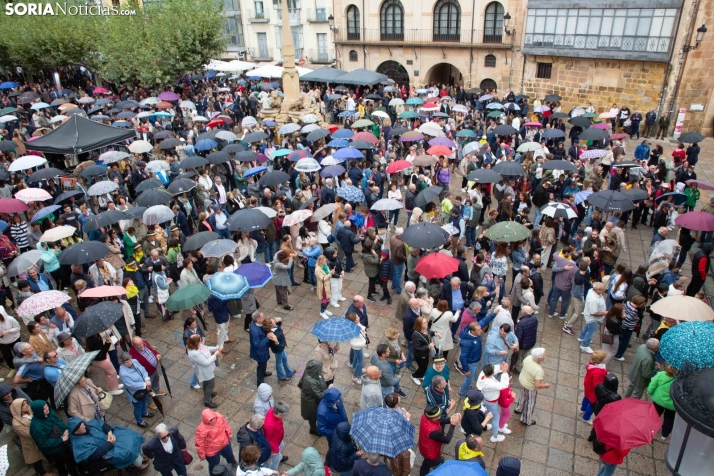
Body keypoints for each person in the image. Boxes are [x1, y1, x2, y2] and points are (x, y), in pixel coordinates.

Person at [68, 417, 148, 473]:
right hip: (105, 453)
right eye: (80, 427)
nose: (83, 426)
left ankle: (136, 456)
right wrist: (109, 443)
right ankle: (133, 465)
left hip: (110, 439)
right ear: (75, 431)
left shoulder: (87, 425)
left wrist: (109, 433)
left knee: (131, 435)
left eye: (82, 424)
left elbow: (103, 425)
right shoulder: (78, 443)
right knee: (127, 451)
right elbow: (94, 455)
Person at [457, 307, 498, 397]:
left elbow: (485, 320)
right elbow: (463, 357)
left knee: (470, 378)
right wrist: (466, 370)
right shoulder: (467, 343)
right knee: (469, 379)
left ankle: (467, 387)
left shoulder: (475, 329)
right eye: (479, 330)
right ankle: (462, 393)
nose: (481, 331)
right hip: (471, 363)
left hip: (474, 360)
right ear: (473, 331)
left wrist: (494, 313)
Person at [29, 400, 78, 476]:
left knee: (71, 460)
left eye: (46, 406)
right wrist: (61, 439)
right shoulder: (36, 427)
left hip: (64, 442)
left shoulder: (50, 413)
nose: (47, 409)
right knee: (61, 465)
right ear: (39, 411)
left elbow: (59, 421)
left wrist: (66, 429)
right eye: (44, 409)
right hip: (55, 450)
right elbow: (44, 443)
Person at [417, 404, 461, 476]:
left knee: (427, 462)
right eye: (439, 415)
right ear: (434, 417)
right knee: (439, 465)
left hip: (424, 448)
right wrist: (453, 425)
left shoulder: (425, 416)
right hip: (432, 453)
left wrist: (450, 419)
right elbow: (447, 440)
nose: (440, 416)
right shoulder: (434, 431)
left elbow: (439, 420)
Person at [11, 398, 52, 476]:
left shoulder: (29, 410)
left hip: (39, 437)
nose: (27, 405)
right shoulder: (16, 423)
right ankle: (43, 473)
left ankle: (50, 462)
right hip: (30, 443)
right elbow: (28, 433)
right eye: (24, 405)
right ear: (18, 408)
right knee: (36, 459)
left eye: (26, 403)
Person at [194, 408, 237, 475]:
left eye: (212, 419)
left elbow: (225, 424)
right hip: (212, 451)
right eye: (210, 420)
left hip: (224, 443)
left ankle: (234, 466)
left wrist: (229, 432)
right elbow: (199, 443)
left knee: (230, 456)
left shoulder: (219, 416)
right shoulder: (201, 429)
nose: (212, 421)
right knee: (214, 466)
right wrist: (202, 455)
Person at [117, 351, 154, 428]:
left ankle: (144, 413)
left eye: (130, 360)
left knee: (143, 400)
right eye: (127, 362)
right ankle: (139, 421)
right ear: (123, 362)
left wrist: (146, 379)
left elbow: (143, 370)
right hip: (134, 393)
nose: (130, 363)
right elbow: (131, 385)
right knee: (138, 406)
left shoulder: (135, 361)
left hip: (143, 389)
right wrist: (144, 384)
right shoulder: (123, 373)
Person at [475, 362, 510, 442]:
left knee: (487, 412)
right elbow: (504, 386)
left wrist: (500, 367)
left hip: (485, 398)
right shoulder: (490, 383)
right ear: (491, 374)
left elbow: (492, 369)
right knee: (496, 417)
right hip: (492, 402)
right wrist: (504, 372)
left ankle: (485, 425)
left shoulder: (483, 373)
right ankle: (495, 436)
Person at [515, 348, 550, 426]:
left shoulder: (529, 357)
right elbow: (537, 385)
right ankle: (526, 419)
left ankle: (519, 408)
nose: (545, 356)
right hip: (530, 387)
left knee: (522, 396)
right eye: (544, 355)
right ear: (539, 358)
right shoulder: (538, 370)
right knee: (530, 403)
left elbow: (523, 364)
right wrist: (545, 386)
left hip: (522, 381)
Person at [186, 334, 220, 409]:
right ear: (195, 343)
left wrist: (215, 348)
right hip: (204, 371)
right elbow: (206, 363)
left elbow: (206, 348)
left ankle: (207, 394)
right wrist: (215, 355)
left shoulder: (198, 346)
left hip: (206, 369)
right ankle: (207, 400)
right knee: (210, 384)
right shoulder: (194, 353)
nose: (201, 342)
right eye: (199, 341)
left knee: (206, 383)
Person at [316, 387, 348, 460]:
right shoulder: (322, 412)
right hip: (333, 435)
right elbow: (321, 429)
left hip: (342, 427)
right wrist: (335, 433)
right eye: (337, 400)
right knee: (333, 448)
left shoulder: (336, 398)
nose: (339, 401)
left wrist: (345, 423)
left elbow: (342, 410)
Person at [298, 360, 328, 435]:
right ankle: (313, 430)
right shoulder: (310, 382)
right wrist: (328, 390)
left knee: (314, 415)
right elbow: (319, 395)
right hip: (311, 402)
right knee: (312, 416)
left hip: (312, 399)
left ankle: (314, 428)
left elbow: (301, 381)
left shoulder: (310, 372)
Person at [647, 364, 676, 440]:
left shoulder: (661, 374)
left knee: (654, 415)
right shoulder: (680, 381)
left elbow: (652, 385)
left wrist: (649, 391)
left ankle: (649, 429)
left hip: (658, 400)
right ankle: (664, 435)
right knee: (669, 419)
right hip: (671, 405)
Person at [579, 282, 608, 353]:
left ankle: (582, 337)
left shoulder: (591, 290)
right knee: (591, 332)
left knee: (587, 327)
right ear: (597, 290)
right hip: (593, 319)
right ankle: (585, 345)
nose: (604, 290)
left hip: (589, 317)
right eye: (602, 289)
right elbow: (593, 313)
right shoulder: (594, 300)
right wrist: (604, 313)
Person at [581, 350, 607, 425]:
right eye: (604, 358)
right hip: (594, 391)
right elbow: (597, 384)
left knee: (586, 397)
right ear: (601, 360)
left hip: (588, 387)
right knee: (592, 404)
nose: (606, 359)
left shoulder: (592, 364)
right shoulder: (598, 372)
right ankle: (586, 418)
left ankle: (582, 409)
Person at [250, 313, 275, 386]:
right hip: (260, 352)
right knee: (261, 366)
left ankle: (263, 373)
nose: (264, 317)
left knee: (264, 364)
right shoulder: (255, 332)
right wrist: (267, 338)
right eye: (262, 317)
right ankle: (260, 381)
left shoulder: (254, 323)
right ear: (258, 319)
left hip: (264, 350)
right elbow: (257, 345)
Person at [263, 402, 289, 470]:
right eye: (283, 415)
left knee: (281, 447)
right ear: (278, 414)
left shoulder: (272, 410)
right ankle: (273, 473)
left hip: (278, 439)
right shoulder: (269, 425)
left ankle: (279, 458)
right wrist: (274, 450)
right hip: (274, 445)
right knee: (275, 461)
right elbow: (268, 439)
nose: (284, 417)